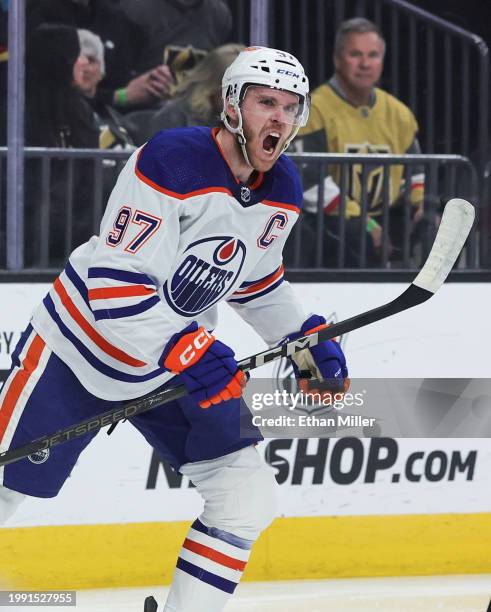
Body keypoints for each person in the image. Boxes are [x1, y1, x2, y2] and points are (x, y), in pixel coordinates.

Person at [0, 47, 349, 611]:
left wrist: (306, 338)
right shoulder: (171, 160)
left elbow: (255, 283)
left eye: (290, 107)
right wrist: (187, 348)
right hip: (77, 352)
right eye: (266, 103)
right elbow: (115, 284)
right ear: (233, 105)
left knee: (246, 496)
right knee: (4, 488)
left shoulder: (281, 186)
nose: (279, 119)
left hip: (168, 364)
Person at [296, 17, 425, 267]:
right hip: (331, 220)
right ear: (337, 60)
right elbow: (310, 184)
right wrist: (365, 222)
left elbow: (417, 173)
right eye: (355, 54)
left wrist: (422, 207)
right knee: (357, 235)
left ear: (382, 61)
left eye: (373, 55)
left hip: (386, 215)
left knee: (434, 226)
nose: (365, 64)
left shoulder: (399, 113)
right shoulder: (315, 109)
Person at [131, 43, 244, 145]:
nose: (242, 99)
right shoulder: (173, 119)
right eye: (236, 90)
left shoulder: (243, 119)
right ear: (214, 87)